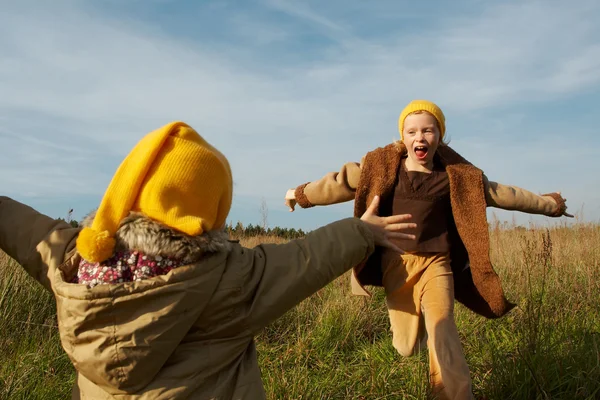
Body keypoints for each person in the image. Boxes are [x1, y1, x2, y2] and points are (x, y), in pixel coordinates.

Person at [0, 121, 418, 399]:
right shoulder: (230, 279)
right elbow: (306, 258)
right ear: (207, 210)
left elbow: (19, 224)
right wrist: (365, 231)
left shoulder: (73, 256)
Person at [284, 100, 572, 400]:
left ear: (439, 136)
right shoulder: (382, 168)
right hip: (397, 265)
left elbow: (503, 194)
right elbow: (339, 183)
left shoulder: (457, 177)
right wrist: (300, 194)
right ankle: (419, 336)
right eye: (412, 131)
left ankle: (454, 394)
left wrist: (549, 205)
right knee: (405, 346)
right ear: (403, 137)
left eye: (428, 130)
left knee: (442, 328)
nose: (419, 137)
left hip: (438, 264)